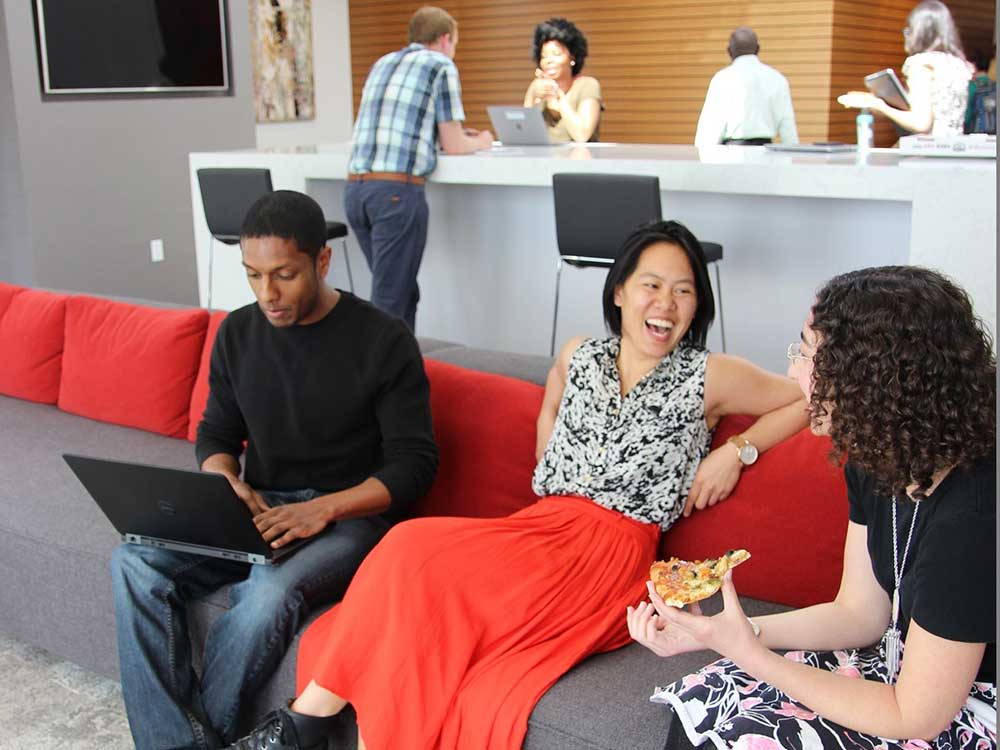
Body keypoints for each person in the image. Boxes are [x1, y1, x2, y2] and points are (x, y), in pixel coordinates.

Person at [227, 220, 810, 750]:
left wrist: (737, 449)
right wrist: (549, 448)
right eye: (650, 285)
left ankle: (296, 730)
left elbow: (808, 395)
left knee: (413, 560)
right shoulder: (579, 354)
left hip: (607, 555)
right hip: (539, 529)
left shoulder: (710, 374)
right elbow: (550, 405)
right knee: (407, 550)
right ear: (618, 292)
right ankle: (305, 729)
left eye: (683, 290)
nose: (666, 304)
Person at [110, 190, 438, 750]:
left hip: (349, 518)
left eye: (284, 274)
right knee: (133, 559)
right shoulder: (237, 333)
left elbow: (415, 466)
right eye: (253, 275)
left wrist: (324, 508)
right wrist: (224, 479)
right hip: (261, 504)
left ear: (322, 260)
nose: (268, 294)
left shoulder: (383, 340)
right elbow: (215, 435)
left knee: (267, 592)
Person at [629, 266, 996, 750]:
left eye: (805, 350)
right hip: (898, 671)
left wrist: (754, 655)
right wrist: (721, 634)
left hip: (962, 709)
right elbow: (860, 612)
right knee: (708, 702)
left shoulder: (973, 517)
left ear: (870, 378)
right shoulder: (876, 458)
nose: (793, 371)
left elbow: (918, 715)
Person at [345, 6, 493, 332]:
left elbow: (405, 126)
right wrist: (481, 140)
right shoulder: (441, 65)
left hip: (356, 193)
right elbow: (454, 144)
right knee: (390, 304)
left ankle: (404, 373)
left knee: (400, 294)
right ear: (444, 39)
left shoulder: (383, 63)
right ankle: (380, 381)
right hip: (395, 195)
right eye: (454, 44)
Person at [838, 1, 973, 136]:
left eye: (909, 31)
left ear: (918, 31)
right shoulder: (957, 64)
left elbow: (920, 123)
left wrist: (879, 105)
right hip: (955, 149)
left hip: (928, 150)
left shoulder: (921, 64)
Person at [694, 26, 799, 147]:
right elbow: (787, 125)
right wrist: (792, 156)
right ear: (758, 49)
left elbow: (710, 127)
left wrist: (702, 157)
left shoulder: (722, 79)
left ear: (729, 51)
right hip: (766, 154)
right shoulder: (777, 79)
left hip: (730, 155)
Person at [523, 17, 603, 143]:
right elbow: (522, 134)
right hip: (543, 160)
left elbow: (582, 135)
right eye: (544, 56)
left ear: (572, 57)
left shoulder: (587, 85)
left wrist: (559, 98)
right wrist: (532, 99)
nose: (549, 60)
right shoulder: (537, 87)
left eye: (556, 54)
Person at [965, 49, 997, 134]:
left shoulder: (971, 86)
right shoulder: (996, 86)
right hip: (994, 133)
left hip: (974, 134)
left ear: (974, 65)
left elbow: (966, 114)